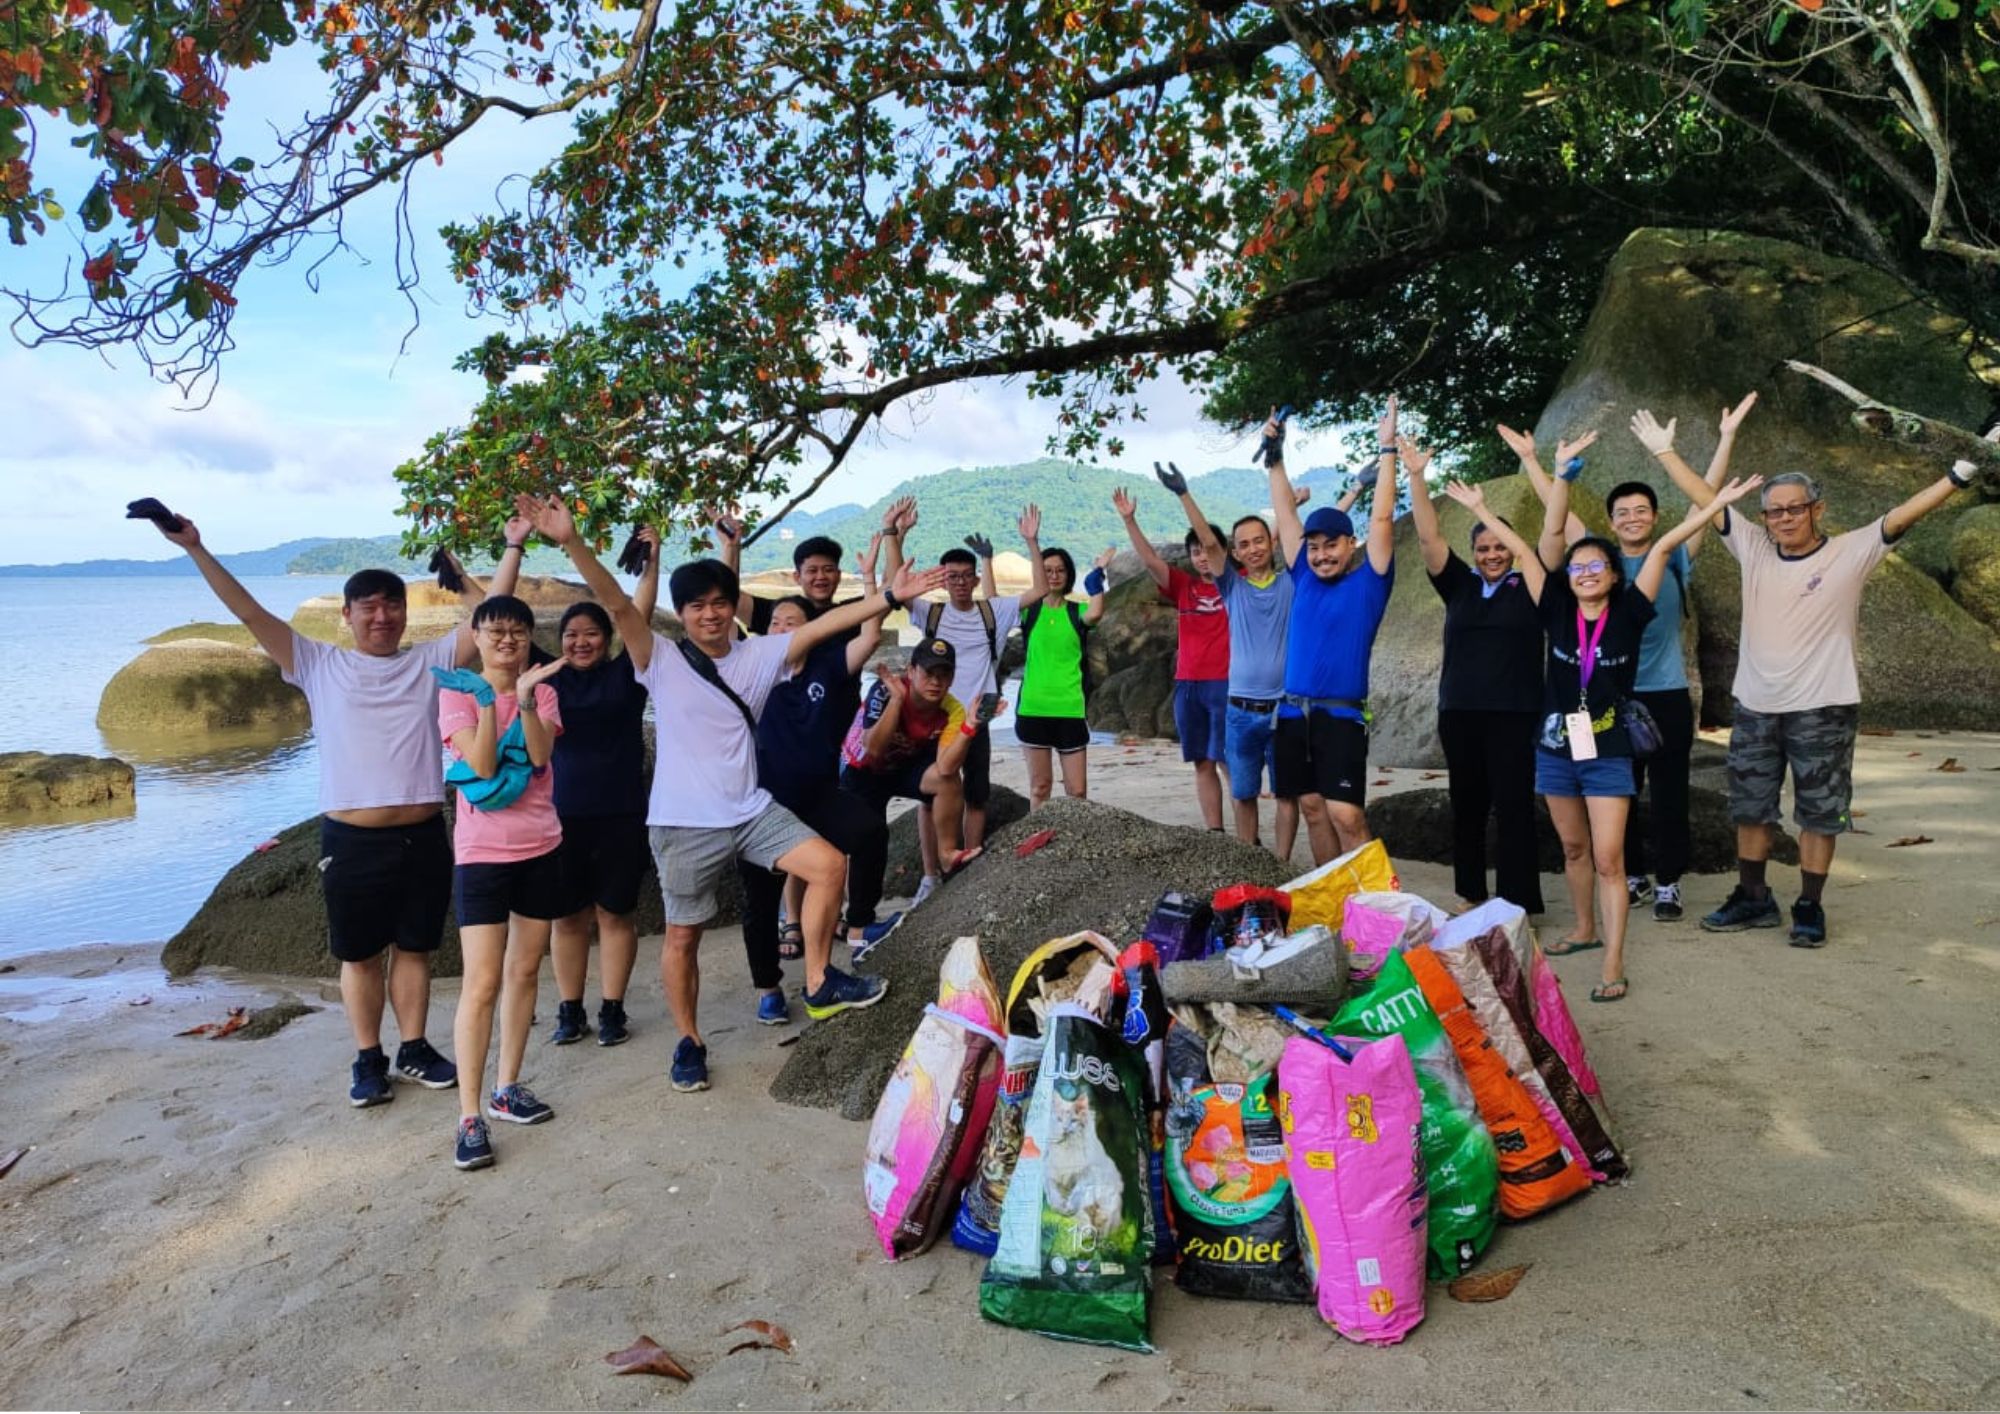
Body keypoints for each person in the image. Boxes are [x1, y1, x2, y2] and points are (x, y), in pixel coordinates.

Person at [522, 492, 944, 1093]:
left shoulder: (759, 654)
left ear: (733, 609)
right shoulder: (658, 657)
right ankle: (689, 1040)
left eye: (721, 604)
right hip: (683, 822)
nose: (712, 615)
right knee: (682, 936)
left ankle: (821, 980)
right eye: (697, 607)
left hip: (750, 811)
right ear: (683, 614)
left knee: (827, 865)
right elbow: (617, 605)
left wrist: (891, 597)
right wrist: (571, 542)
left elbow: (826, 623)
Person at [149, 510, 527, 1107]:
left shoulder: (432, 662)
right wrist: (197, 548)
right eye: (368, 607)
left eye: (392, 605)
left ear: (405, 611)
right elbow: (248, 612)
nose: (382, 617)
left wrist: (514, 545)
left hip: (424, 831)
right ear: (347, 616)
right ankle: (368, 1057)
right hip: (352, 839)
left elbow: (490, 617)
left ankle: (413, 1047)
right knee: (358, 954)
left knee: (415, 949)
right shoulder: (317, 663)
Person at [1637, 409, 1993, 947]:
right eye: (1773, 511)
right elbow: (1709, 501)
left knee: (1820, 813)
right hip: (1755, 706)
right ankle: (1754, 897)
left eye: (1794, 509)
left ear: (1816, 510)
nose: (1783, 518)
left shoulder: (1853, 551)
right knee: (1750, 807)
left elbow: (1902, 515)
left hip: (1824, 706)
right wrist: (1665, 452)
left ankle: (1809, 905)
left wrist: (1962, 472)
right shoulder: (1753, 547)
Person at [1521, 457, 1765, 1000]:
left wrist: (1718, 498)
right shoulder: (1574, 589)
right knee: (1589, 835)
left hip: (1639, 715)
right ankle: (1602, 908)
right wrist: (1544, 468)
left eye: (1641, 510)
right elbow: (1548, 536)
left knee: (1641, 821)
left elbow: (1672, 538)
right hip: (1578, 728)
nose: (1586, 573)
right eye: (1621, 511)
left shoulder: (1645, 589)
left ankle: (1642, 919)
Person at [432, 595, 568, 1170]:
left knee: (525, 971)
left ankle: (507, 1087)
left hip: (541, 847)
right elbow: (484, 766)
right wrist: (491, 701)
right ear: (477, 635)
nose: (507, 641)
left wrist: (527, 700)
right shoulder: (456, 691)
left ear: (529, 637)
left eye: (517, 631)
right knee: (481, 983)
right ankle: (469, 1114)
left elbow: (538, 758)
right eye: (496, 631)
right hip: (482, 855)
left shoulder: (545, 690)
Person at [738, 539, 892, 1027]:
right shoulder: (751, 675)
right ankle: (767, 988)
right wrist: (730, 548)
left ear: (811, 632)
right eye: (776, 623)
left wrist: (871, 578)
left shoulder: (828, 664)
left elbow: (868, 636)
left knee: (868, 831)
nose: (783, 629)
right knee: (759, 900)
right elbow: (724, 604)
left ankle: (851, 934)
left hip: (817, 793)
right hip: (762, 804)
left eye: (794, 624)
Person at [1402, 437, 1547, 914]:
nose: (1491, 554)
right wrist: (1418, 478)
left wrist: (1489, 516)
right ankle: (1470, 893)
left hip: (1515, 714)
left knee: (1514, 810)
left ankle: (1516, 902)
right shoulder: (1460, 586)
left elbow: (1534, 552)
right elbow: (1428, 539)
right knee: (1466, 806)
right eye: (1482, 547)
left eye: (1498, 546)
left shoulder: (1529, 585)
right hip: (1461, 713)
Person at [1264, 399, 1401, 865]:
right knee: (1312, 808)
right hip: (1293, 714)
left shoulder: (1370, 582)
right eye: (1315, 547)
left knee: (1347, 815)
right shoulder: (1301, 572)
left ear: (1351, 544)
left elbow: (1382, 518)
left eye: (1331, 546)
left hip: (1340, 717)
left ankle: (1376, 906)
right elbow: (1285, 512)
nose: (1321, 555)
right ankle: (1333, 897)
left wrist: (1387, 452)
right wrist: (1275, 455)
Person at [544, 527, 661, 1049]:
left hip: (621, 815)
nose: (581, 641)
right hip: (559, 818)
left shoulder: (627, 675)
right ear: (559, 641)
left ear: (607, 639)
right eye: (571, 635)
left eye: (591, 633)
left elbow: (631, 610)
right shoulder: (546, 679)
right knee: (567, 918)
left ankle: (612, 1008)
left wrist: (652, 563)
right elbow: (497, 625)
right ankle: (570, 1010)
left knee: (616, 913)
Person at [1181, 475, 1302, 859]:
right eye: (1244, 544)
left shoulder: (1292, 583)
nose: (1252, 549)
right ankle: (1250, 865)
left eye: (1259, 540)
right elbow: (1210, 542)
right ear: (1235, 551)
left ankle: (1281, 867)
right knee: (1244, 792)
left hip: (1284, 710)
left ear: (1271, 542)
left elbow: (1307, 543)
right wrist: (1184, 494)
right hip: (1240, 711)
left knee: (1286, 795)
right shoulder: (1232, 587)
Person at [838, 638, 985, 947]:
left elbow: (945, 768)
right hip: (862, 769)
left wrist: (969, 727)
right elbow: (873, 748)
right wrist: (896, 702)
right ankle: (858, 924)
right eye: (928, 673)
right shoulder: (884, 692)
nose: (935, 682)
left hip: (902, 768)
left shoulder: (952, 709)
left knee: (948, 782)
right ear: (911, 670)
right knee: (871, 838)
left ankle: (946, 855)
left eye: (944, 675)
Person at [1112, 481, 1229, 830]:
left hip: (1225, 683)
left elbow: (1222, 544)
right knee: (1202, 762)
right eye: (1195, 552)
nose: (1202, 556)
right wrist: (1129, 521)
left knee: (1228, 762)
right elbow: (1149, 560)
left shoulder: (1234, 584)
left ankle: (1247, 837)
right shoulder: (1184, 586)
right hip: (1189, 685)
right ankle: (1216, 832)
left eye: (1207, 550)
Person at [1013, 504, 1108, 805]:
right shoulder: (1029, 611)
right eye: (1047, 570)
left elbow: (1096, 611)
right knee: (1040, 788)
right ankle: (1037, 847)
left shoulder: (1076, 612)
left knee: (1077, 792)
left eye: (1060, 570)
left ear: (1068, 575)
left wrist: (1096, 577)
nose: (1053, 575)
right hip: (1033, 708)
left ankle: (1073, 849)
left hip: (1069, 709)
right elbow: (993, 605)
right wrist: (1030, 542)